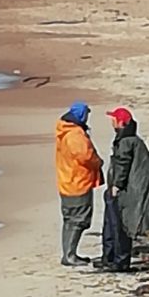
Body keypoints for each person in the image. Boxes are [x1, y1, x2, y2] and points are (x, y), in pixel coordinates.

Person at [96, 107, 149, 274]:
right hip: (117, 188)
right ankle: (108, 257)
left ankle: (120, 261)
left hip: (123, 191)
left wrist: (117, 185)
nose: (111, 121)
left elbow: (123, 165)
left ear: (121, 123)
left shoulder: (127, 141)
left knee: (119, 227)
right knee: (109, 225)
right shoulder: (126, 139)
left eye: (114, 119)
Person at [55, 102, 104, 267]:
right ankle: (69, 255)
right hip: (77, 183)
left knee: (70, 220)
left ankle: (68, 253)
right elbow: (86, 156)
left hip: (67, 181)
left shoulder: (64, 130)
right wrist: (98, 162)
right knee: (79, 220)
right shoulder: (75, 134)